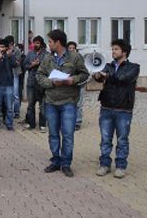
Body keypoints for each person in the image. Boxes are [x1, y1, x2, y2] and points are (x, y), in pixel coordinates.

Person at [36, 29, 89, 178]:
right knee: (53, 134)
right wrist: (51, 83)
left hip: (68, 102)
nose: (48, 44)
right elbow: (39, 75)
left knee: (67, 134)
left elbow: (84, 74)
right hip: (51, 101)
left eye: (50, 42)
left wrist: (73, 80)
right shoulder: (47, 58)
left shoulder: (75, 57)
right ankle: (55, 161)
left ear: (58, 42)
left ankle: (66, 164)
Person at [93, 39, 140, 179]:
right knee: (105, 139)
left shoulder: (133, 67)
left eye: (116, 49)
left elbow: (123, 78)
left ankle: (120, 166)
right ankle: (105, 164)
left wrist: (107, 75)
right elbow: (99, 79)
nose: (113, 52)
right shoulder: (108, 66)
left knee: (122, 139)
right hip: (106, 107)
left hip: (123, 109)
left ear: (124, 52)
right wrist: (96, 75)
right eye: (112, 49)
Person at [0, 39, 18, 131]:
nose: (1, 48)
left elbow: (14, 65)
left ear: (6, 48)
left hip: (8, 84)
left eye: (3, 47)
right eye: (0, 46)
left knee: (9, 107)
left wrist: (7, 57)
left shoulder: (10, 56)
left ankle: (9, 124)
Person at [23, 36, 48, 131]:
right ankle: (31, 123)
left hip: (42, 83)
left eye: (37, 43)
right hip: (31, 83)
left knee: (42, 106)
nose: (35, 45)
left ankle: (42, 125)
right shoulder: (30, 54)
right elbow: (24, 66)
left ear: (41, 44)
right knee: (30, 105)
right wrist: (31, 65)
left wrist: (39, 63)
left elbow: (49, 67)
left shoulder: (46, 54)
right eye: (34, 43)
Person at [66, 41, 84, 130]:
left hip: (79, 84)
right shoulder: (65, 59)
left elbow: (83, 72)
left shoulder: (80, 58)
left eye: (73, 48)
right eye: (70, 48)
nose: (72, 50)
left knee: (79, 104)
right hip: (69, 85)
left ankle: (78, 122)